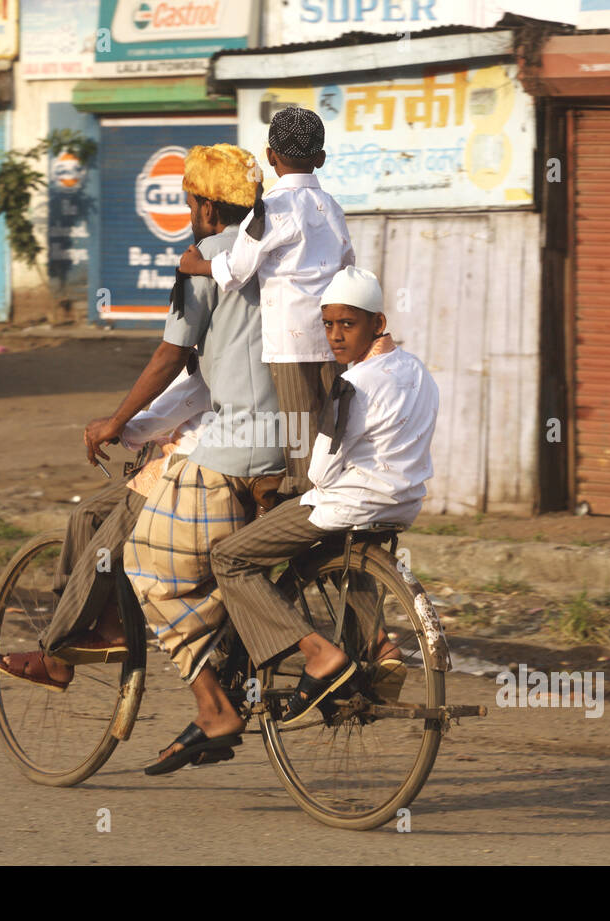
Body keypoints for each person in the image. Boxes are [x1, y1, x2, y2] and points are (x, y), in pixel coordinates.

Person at [211, 266, 440, 727]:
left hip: (350, 502)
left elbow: (318, 470)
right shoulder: (417, 371)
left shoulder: (353, 384)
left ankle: (317, 655)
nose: (336, 336)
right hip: (403, 503)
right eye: (329, 323)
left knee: (229, 558)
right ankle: (378, 644)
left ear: (377, 323)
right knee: (332, 550)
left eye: (348, 324)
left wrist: (291, 477)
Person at [121, 143, 287, 775]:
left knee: (143, 560)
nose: (191, 210)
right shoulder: (289, 254)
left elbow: (171, 358)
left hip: (233, 453)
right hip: (297, 448)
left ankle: (213, 705)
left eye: (192, 201)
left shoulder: (204, 263)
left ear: (205, 205)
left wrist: (116, 421)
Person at [0, 369, 210, 689]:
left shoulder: (201, 324)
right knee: (86, 516)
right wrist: (129, 426)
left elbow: (189, 390)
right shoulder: (199, 328)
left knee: (102, 551)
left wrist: (124, 426)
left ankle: (55, 654)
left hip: (194, 458)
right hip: (175, 450)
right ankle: (94, 623)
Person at [177, 105, 354, 498]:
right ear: (321, 159)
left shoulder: (271, 208)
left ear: (271, 158)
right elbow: (347, 266)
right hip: (331, 340)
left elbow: (238, 270)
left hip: (290, 346)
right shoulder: (333, 209)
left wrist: (199, 265)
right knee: (329, 431)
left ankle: (300, 511)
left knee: (298, 441)